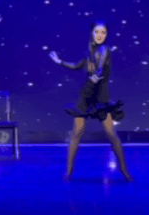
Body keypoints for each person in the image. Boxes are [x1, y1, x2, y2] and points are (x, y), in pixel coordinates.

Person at [49, 20, 134, 183]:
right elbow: (76, 66)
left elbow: (101, 67)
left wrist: (97, 75)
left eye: (103, 32)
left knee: (111, 135)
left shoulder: (104, 49)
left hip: (100, 98)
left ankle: (124, 170)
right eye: (97, 32)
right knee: (76, 134)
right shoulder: (88, 52)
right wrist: (60, 61)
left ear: (106, 34)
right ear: (92, 33)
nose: (100, 35)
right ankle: (68, 171)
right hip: (86, 97)